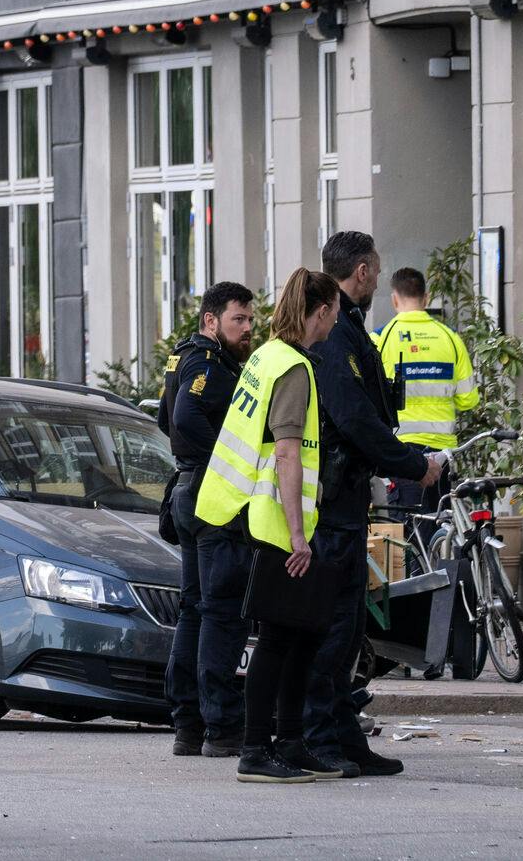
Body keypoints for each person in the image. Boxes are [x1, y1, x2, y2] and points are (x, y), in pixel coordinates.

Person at [193, 268, 342, 784]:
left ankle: (290, 744)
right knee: (282, 639)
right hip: (277, 522)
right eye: (335, 309)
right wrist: (300, 536)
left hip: (254, 513)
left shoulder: (264, 356)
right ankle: (257, 750)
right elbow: (285, 453)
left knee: (300, 636)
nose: (337, 317)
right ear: (321, 312)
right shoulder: (295, 367)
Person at [304, 232, 444, 778]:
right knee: (335, 628)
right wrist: (412, 463)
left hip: (345, 499)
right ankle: (323, 739)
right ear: (362, 272)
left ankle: (342, 736)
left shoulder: (348, 328)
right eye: (375, 271)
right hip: (333, 502)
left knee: (348, 627)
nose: (378, 279)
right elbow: (355, 419)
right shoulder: (336, 333)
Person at [157, 281, 255, 759]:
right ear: (212, 321)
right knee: (220, 610)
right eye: (239, 320)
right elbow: (186, 415)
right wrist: (230, 461)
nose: (248, 329)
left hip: (187, 488)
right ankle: (221, 726)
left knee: (195, 609)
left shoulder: (182, 358)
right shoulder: (207, 363)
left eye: (251, 320)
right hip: (208, 494)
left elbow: (163, 421)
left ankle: (188, 726)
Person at [376, 266, 478, 513]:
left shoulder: (381, 338)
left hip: (402, 453)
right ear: (426, 297)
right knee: (442, 528)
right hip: (444, 455)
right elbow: (468, 400)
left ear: (394, 299)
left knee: (408, 539)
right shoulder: (451, 338)